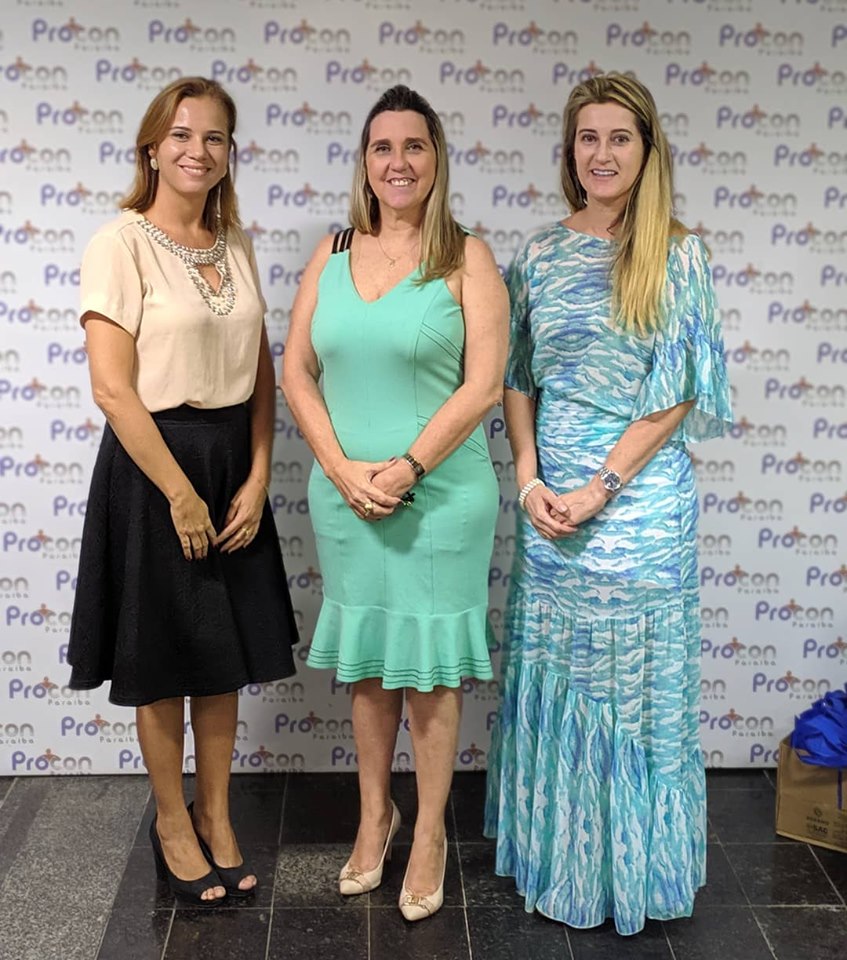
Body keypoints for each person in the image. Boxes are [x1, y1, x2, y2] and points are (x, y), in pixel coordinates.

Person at [484, 73, 733, 936]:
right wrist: (528, 480)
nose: (601, 153)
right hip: (550, 508)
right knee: (557, 686)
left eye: (618, 137)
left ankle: (635, 875)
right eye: (586, 137)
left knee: (635, 699)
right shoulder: (537, 254)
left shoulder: (678, 254)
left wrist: (600, 488)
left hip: (638, 508)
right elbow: (516, 376)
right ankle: (563, 864)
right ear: (569, 151)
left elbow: (677, 392)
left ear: (646, 148)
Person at [66, 77, 299, 905]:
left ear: (230, 153)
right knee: (163, 655)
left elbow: (261, 373)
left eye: (214, 137)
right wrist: (178, 492)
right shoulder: (119, 242)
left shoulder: (234, 242)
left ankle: (216, 815)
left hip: (231, 460)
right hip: (153, 466)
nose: (197, 150)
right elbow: (112, 388)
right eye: (181, 134)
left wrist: (259, 474)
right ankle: (171, 821)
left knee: (220, 654)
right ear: (152, 147)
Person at [282, 84, 508, 921]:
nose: (398, 162)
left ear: (436, 159)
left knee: (431, 672)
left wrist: (407, 468)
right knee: (371, 664)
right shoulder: (332, 251)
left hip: (439, 497)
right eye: (383, 147)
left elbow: (483, 385)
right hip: (345, 497)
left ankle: (430, 833)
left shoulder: (467, 257)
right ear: (365, 162)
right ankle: (375, 816)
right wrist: (341, 469)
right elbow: (295, 370)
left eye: (414, 146)